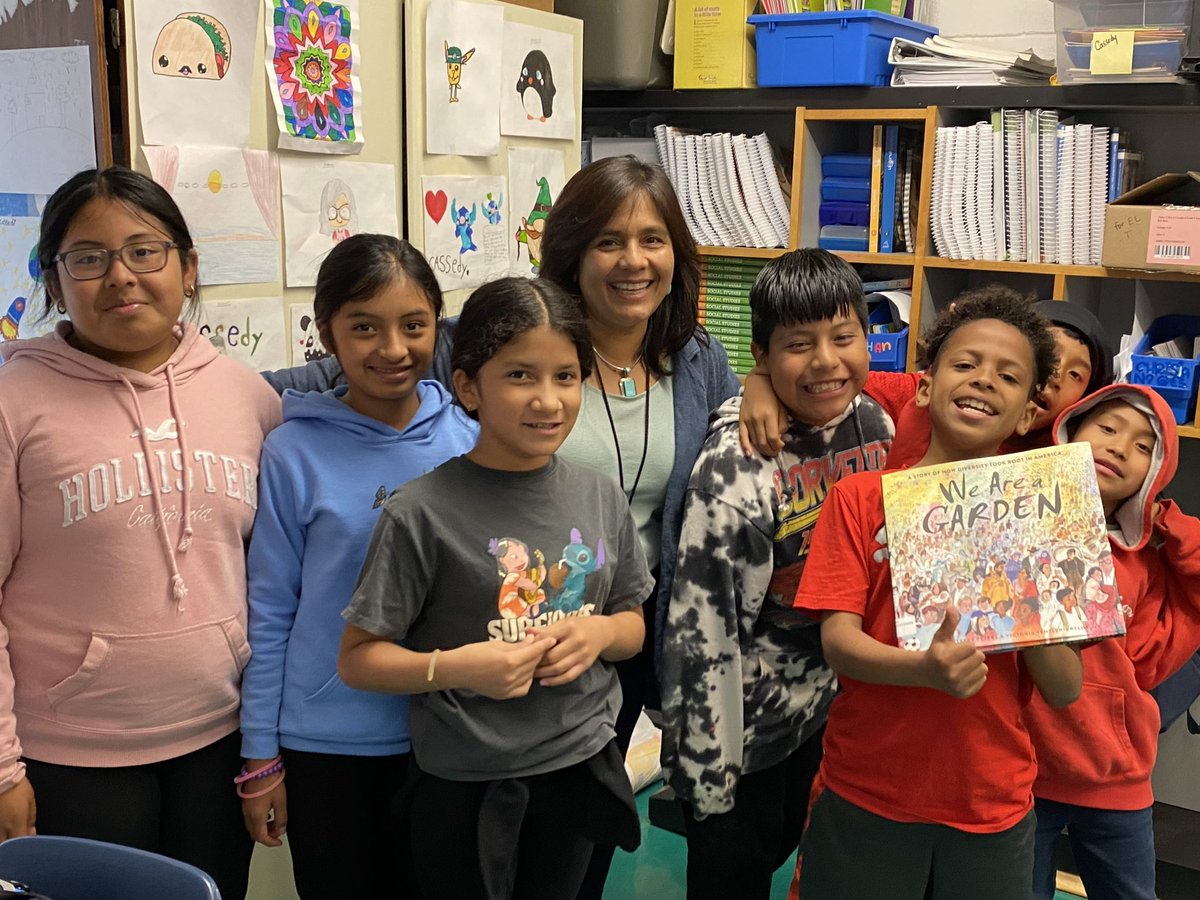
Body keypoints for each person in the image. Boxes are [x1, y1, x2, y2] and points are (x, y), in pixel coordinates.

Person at [0, 166, 281, 899]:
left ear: (188, 269)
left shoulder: (247, 396)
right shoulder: (13, 403)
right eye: (87, 258)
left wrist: (266, 747)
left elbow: (274, 581)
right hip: (69, 756)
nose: (120, 276)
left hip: (218, 743)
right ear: (55, 285)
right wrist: (2, 768)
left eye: (144, 251)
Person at [337, 277, 654, 900]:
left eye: (566, 377)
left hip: (578, 763)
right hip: (466, 779)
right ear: (468, 387)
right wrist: (458, 667)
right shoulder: (420, 513)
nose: (547, 400)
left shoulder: (598, 493)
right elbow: (357, 658)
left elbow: (632, 624)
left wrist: (598, 633)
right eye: (519, 376)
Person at [793, 292, 1084, 899]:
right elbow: (839, 643)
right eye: (965, 364)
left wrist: (1025, 590)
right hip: (867, 791)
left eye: (1008, 376)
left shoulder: (1047, 513)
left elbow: (1063, 688)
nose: (983, 380)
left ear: (1029, 413)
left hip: (990, 805)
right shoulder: (860, 499)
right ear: (925, 387)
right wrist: (923, 669)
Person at [238, 235, 478, 897]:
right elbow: (270, 610)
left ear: (437, 324)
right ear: (328, 334)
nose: (392, 349)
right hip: (327, 745)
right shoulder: (291, 451)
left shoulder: (471, 441)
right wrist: (260, 755)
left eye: (413, 325)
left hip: (448, 737)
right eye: (364, 327)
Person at [659, 249, 894, 900]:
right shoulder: (736, 468)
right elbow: (702, 634)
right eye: (799, 345)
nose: (826, 360)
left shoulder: (873, 422)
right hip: (742, 737)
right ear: (762, 354)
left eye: (844, 337)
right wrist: (709, 771)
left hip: (826, 715)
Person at [1025, 385, 1200, 900]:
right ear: (1069, 431)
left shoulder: (1146, 557)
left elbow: (1154, 655)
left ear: (1156, 474)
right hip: (1025, 772)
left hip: (1115, 775)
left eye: (1145, 446)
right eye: (1107, 427)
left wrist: (1170, 523)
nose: (1121, 446)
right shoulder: (1019, 533)